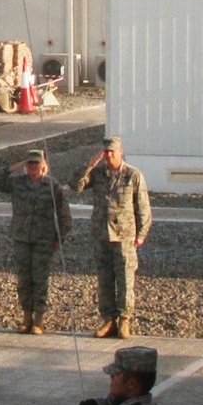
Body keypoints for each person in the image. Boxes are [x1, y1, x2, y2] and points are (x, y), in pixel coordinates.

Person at [71, 136, 152, 339]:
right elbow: (75, 185)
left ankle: (124, 320)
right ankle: (108, 320)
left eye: (112, 152)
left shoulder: (133, 175)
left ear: (120, 151)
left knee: (125, 280)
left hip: (124, 236)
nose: (109, 156)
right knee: (105, 280)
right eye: (106, 152)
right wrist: (89, 164)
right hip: (101, 235)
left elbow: (143, 207)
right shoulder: (97, 174)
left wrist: (141, 234)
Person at [0, 148, 72, 334]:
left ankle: (39, 318)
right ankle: (26, 315)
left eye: (36, 163)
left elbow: (64, 214)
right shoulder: (18, 183)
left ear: (43, 165)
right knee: (24, 278)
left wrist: (60, 236)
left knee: (40, 278)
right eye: (30, 164)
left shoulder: (52, 186)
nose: (33, 167)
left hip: (43, 239)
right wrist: (14, 166)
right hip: (21, 237)